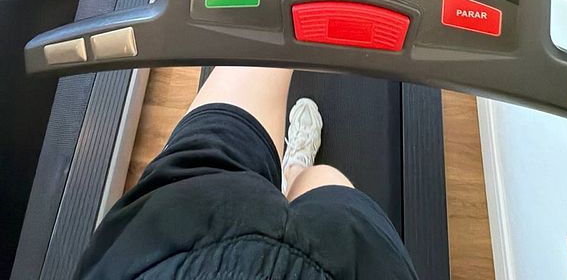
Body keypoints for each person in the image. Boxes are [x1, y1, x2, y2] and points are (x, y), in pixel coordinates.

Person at [75, 67, 419, 279]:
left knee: (262, 42)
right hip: (342, 270)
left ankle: (287, 178)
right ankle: (295, 169)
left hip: (174, 252)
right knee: (325, 180)